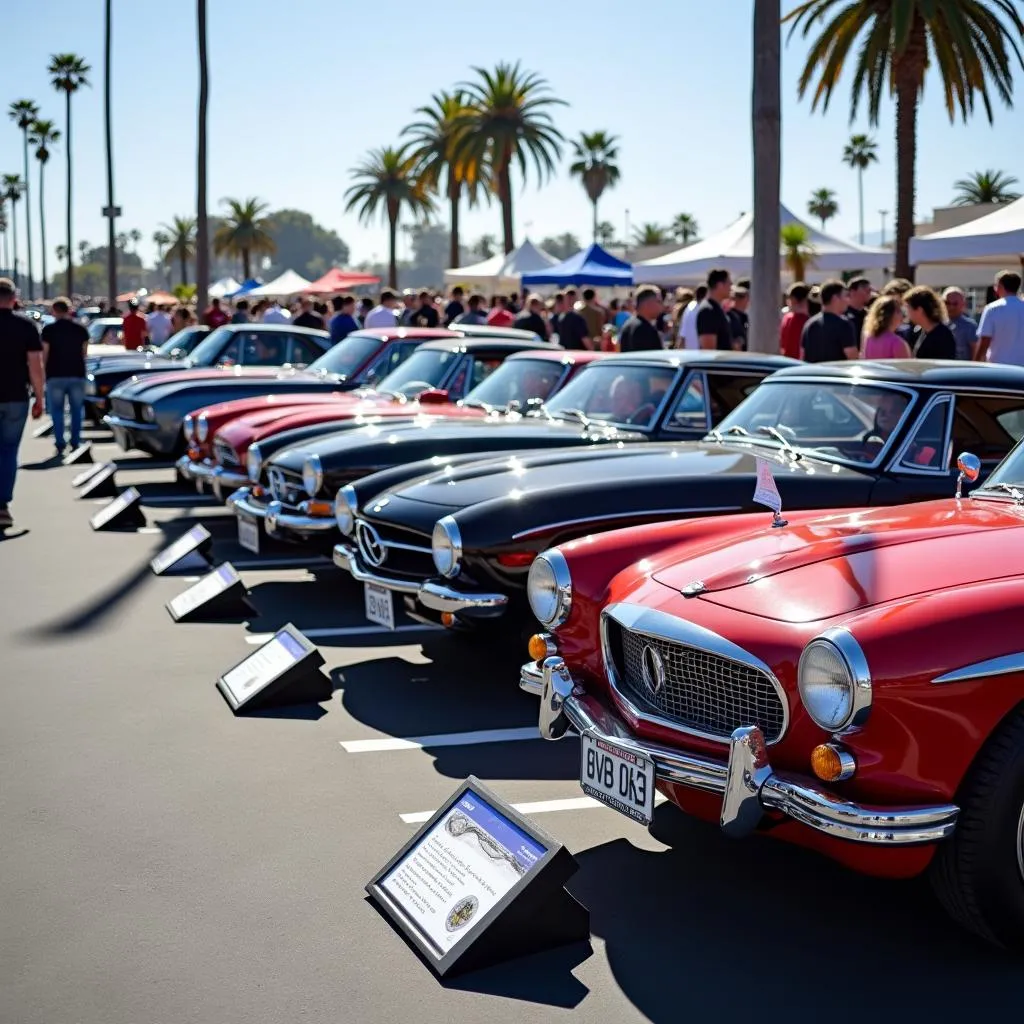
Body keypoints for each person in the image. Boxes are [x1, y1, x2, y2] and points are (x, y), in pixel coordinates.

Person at [0, 278, 45, 528]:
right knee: (8, 451)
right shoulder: (26, 326)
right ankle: (2, 506)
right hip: (16, 397)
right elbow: (35, 366)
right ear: (13, 298)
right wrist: (40, 397)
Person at [41, 297, 89, 456]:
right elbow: (84, 354)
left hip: (55, 374)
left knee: (57, 410)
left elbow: (45, 355)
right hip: (76, 373)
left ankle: (60, 441)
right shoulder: (81, 330)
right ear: (69, 310)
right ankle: (75, 440)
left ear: (54, 310)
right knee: (76, 410)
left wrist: (42, 375)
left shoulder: (48, 330)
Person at [800, 279, 858, 362]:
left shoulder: (809, 324)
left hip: (812, 374)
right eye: (846, 296)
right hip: (836, 374)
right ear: (835, 298)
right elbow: (853, 359)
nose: (848, 300)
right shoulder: (844, 324)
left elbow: (802, 356)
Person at [976, 269, 1024, 366]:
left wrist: (975, 363)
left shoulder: (992, 309)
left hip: (998, 367)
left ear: (1000, 287)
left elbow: (985, 340)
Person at [904, 286, 956, 359]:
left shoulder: (943, 336)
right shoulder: (918, 332)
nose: (907, 314)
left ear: (920, 310)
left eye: (909, 308)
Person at [618, 285, 665, 352]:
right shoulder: (644, 329)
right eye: (659, 302)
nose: (662, 305)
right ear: (648, 304)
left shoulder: (629, 324)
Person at [697, 269, 733, 351]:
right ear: (720, 285)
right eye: (729, 283)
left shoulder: (715, 309)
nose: (731, 287)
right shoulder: (708, 311)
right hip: (717, 363)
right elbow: (709, 351)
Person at [941, 287, 977, 360]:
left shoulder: (970, 326)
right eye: (947, 303)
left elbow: (976, 354)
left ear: (963, 304)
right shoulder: (937, 324)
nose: (951, 307)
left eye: (955, 303)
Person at [779, 282, 810, 358]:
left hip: (787, 362)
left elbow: (782, 345)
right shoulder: (809, 321)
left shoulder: (786, 318)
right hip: (802, 364)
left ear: (793, 299)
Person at [678, 285, 705, 350]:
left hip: (689, 355)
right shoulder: (704, 310)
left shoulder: (689, 308)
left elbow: (682, 337)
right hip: (701, 356)